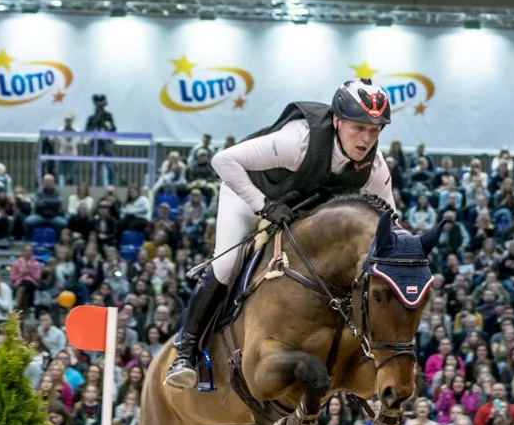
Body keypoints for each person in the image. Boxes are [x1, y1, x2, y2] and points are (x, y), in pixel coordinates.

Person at [166, 78, 398, 389]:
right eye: (359, 128)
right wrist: (262, 205)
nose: (366, 139)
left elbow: (390, 222)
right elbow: (223, 160)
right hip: (248, 191)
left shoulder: (375, 166)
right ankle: (186, 352)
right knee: (227, 263)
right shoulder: (298, 141)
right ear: (336, 120)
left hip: (295, 208)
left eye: (375, 131)